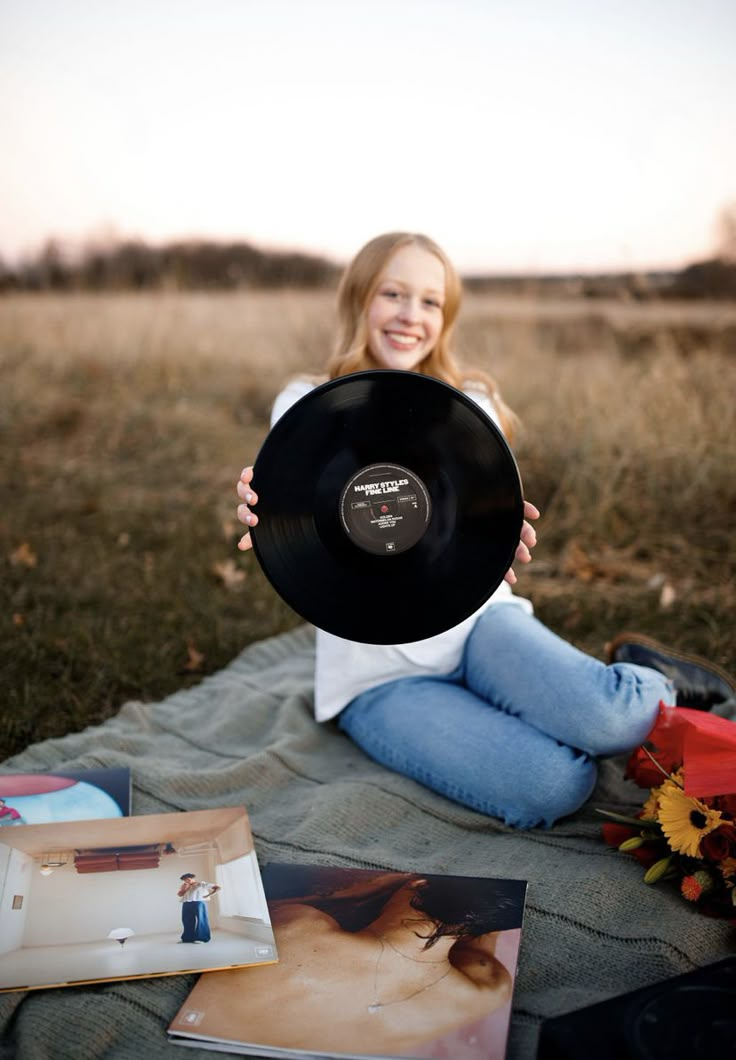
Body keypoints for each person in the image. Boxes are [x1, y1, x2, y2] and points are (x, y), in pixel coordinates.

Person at [235, 232, 736, 829]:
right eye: (393, 293)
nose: (409, 316)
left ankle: (655, 677)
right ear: (359, 299)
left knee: (617, 721)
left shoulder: (472, 406)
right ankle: (525, 717)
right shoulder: (306, 402)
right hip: (379, 677)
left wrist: (490, 534)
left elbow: (471, 518)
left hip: (480, 625)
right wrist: (271, 515)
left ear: (445, 318)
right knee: (553, 786)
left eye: (429, 302)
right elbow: (302, 496)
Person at [192, 869, 519, 1055]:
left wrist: (365, 889)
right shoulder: (488, 990)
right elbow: (485, 919)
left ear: (416, 881)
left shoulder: (299, 929)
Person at [177, 873, 221, 943]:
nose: (187, 881)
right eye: (185, 880)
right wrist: (185, 888)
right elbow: (180, 894)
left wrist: (209, 895)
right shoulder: (185, 885)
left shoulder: (201, 884)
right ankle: (187, 938)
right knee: (187, 921)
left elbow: (218, 887)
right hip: (186, 903)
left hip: (199, 902)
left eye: (188, 879)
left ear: (193, 878)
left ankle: (202, 938)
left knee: (201, 920)